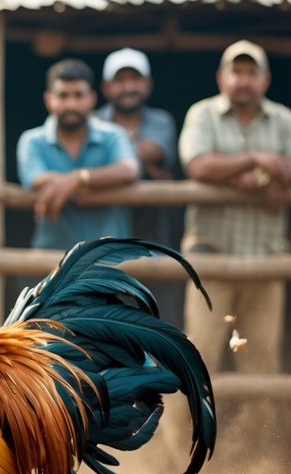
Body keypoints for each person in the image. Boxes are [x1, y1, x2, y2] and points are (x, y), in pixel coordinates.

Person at [178, 40, 291, 380]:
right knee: (198, 355)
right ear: (221, 78)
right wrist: (256, 159)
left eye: (251, 72)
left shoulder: (282, 118)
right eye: (236, 72)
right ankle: (185, 435)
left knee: (262, 360)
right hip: (211, 258)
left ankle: (260, 434)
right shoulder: (202, 113)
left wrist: (261, 176)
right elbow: (199, 167)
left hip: (265, 260)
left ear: (265, 80)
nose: (243, 80)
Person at [97, 47, 184, 326]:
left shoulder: (161, 120)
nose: (128, 87)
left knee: (158, 318)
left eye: (135, 79)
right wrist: (133, 166)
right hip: (105, 232)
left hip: (153, 234)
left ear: (147, 84)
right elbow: (139, 156)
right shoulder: (94, 121)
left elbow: (154, 151)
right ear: (106, 87)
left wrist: (108, 167)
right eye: (120, 80)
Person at [16, 58, 138, 251]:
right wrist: (89, 179)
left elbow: (129, 170)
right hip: (50, 262)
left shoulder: (113, 135)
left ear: (91, 98)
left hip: (107, 259)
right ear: (49, 100)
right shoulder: (32, 140)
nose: (71, 104)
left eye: (78, 95)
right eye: (63, 96)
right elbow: (34, 179)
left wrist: (78, 177)